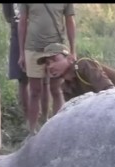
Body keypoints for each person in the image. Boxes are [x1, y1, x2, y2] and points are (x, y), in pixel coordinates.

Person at [18, 3, 76, 134]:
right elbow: (22, 22)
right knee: (34, 91)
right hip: (33, 48)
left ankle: (56, 129)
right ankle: (32, 132)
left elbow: (70, 21)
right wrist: (21, 53)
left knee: (56, 89)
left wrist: (73, 51)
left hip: (57, 49)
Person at [2, 3, 50, 130]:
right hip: (39, 28)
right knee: (43, 79)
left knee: (24, 80)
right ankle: (42, 120)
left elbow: (7, 15)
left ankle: (30, 121)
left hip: (20, 28)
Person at [37, 43, 115, 102]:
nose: (50, 66)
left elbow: (110, 92)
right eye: (47, 63)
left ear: (69, 58)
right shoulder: (66, 87)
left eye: (54, 60)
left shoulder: (83, 65)